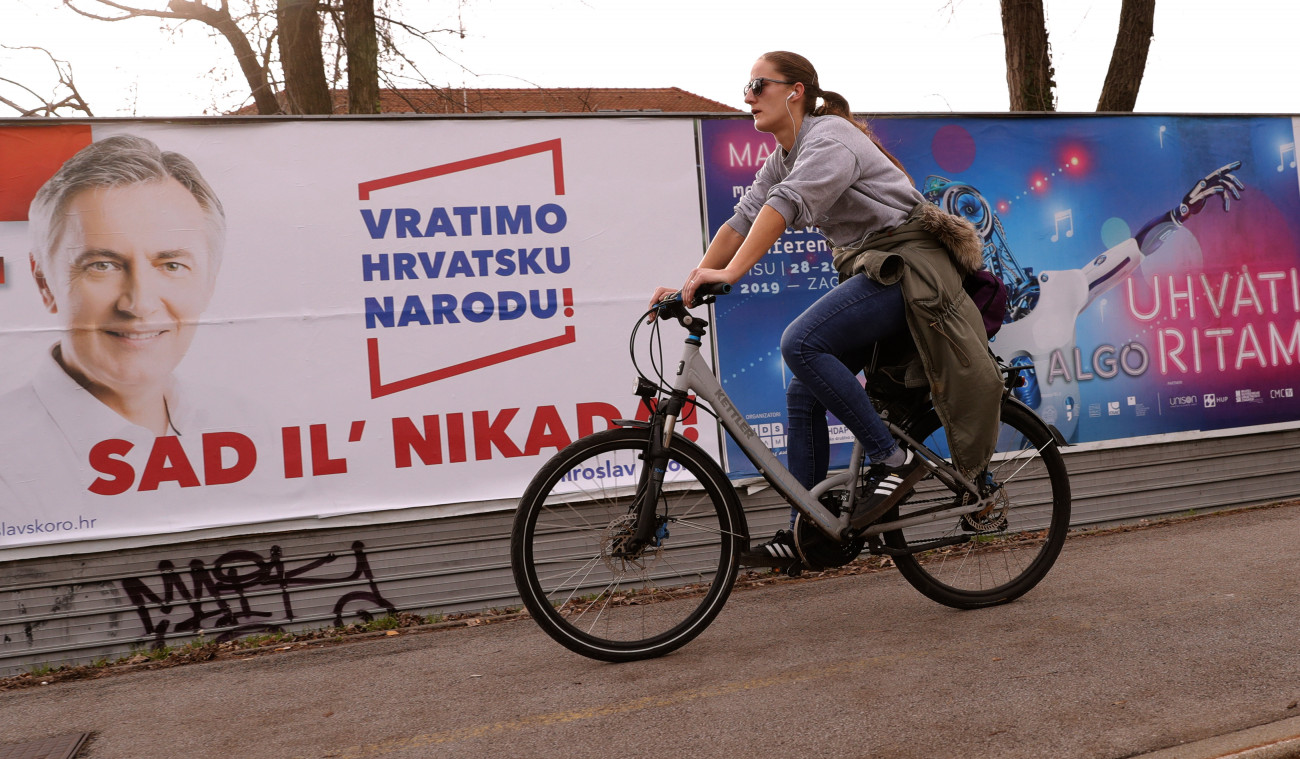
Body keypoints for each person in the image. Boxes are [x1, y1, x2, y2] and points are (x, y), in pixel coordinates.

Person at [651, 52, 1003, 569]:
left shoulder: (829, 139)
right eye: (745, 87)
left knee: (801, 343)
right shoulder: (784, 154)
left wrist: (729, 274)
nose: (746, 96)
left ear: (794, 91)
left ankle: (890, 457)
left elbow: (783, 206)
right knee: (803, 384)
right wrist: (691, 282)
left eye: (756, 85)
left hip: (910, 268)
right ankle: (812, 524)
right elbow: (743, 219)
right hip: (876, 268)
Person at [0, 134, 226, 511]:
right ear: (45, 282)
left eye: (171, 265)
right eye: (102, 265)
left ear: (210, 281)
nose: (138, 304)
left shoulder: (250, 423)